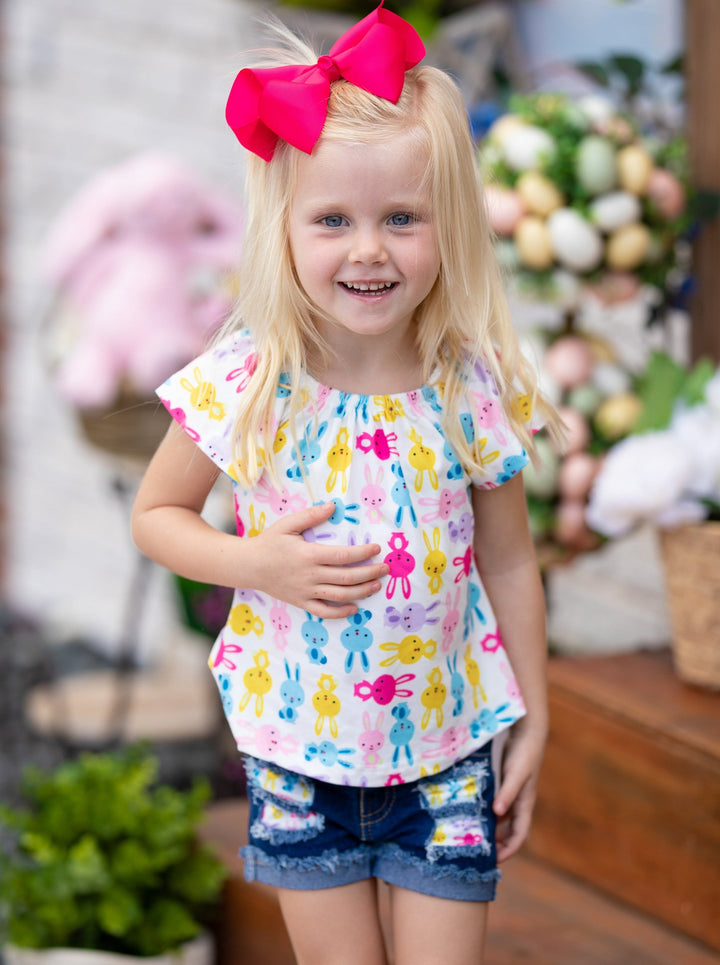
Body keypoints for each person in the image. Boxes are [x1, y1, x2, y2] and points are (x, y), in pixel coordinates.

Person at [132, 5, 563, 963]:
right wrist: (257, 563)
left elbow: (511, 560)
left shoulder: (471, 384)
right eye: (333, 220)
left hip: (446, 754)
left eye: (401, 218)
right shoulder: (253, 378)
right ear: (283, 227)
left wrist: (533, 712)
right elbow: (157, 515)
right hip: (297, 757)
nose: (368, 249)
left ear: (446, 225)